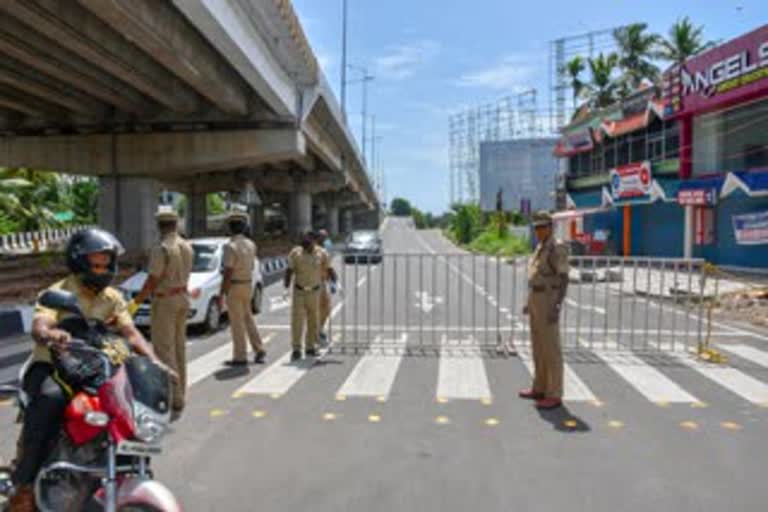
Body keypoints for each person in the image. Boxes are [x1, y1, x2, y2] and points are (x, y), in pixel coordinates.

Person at [9, 229, 167, 512]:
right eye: (96, 263)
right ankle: (23, 486)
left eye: (106, 263)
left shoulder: (113, 298)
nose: (102, 269)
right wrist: (51, 334)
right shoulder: (58, 293)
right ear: (79, 262)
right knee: (49, 402)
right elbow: (40, 324)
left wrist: (155, 361)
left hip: (93, 368)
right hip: (53, 365)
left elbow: (131, 334)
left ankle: (124, 471)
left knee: (127, 409)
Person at [129, 205, 193, 420]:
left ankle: (174, 398)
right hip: (183, 298)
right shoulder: (186, 245)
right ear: (175, 224)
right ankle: (181, 393)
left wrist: (135, 303)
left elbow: (153, 279)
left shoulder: (161, 248)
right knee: (179, 347)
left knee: (164, 351)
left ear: (159, 225)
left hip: (165, 301)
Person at [519, 211, 569, 410]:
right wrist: (528, 302)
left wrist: (557, 306)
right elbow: (536, 275)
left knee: (551, 350)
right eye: (536, 228)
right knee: (538, 348)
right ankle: (539, 387)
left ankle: (554, 393)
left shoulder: (557, 247)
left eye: (542, 227)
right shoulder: (540, 247)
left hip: (548, 300)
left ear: (550, 227)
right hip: (536, 299)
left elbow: (564, 278)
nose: (538, 231)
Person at [217, 206, 266, 366]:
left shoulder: (230, 247)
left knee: (237, 323)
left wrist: (222, 293)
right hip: (247, 285)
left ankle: (240, 356)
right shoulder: (251, 244)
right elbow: (252, 266)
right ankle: (259, 348)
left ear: (230, 227)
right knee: (248, 318)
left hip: (235, 286)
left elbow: (228, 272)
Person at [284, 232, 336, 361]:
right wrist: (286, 286)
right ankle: (296, 348)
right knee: (297, 321)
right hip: (299, 292)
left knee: (314, 320)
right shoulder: (296, 252)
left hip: (315, 292)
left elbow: (329, 268)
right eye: (304, 246)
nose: (306, 248)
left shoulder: (322, 253)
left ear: (314, 242)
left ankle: (310, 347)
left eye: (308, 246)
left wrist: (335, 282)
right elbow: (289, 270)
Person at [316, 229, 334, 346]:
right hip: (314, 283)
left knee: (326, 308)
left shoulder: (326, 248)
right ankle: (316, 334)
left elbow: (329, 266)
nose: (325, 239)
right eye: (322, 237)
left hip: (323, 281)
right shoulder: (314, 250)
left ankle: (320, 328)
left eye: (326, 237)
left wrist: (333, 281)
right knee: (315, 310)